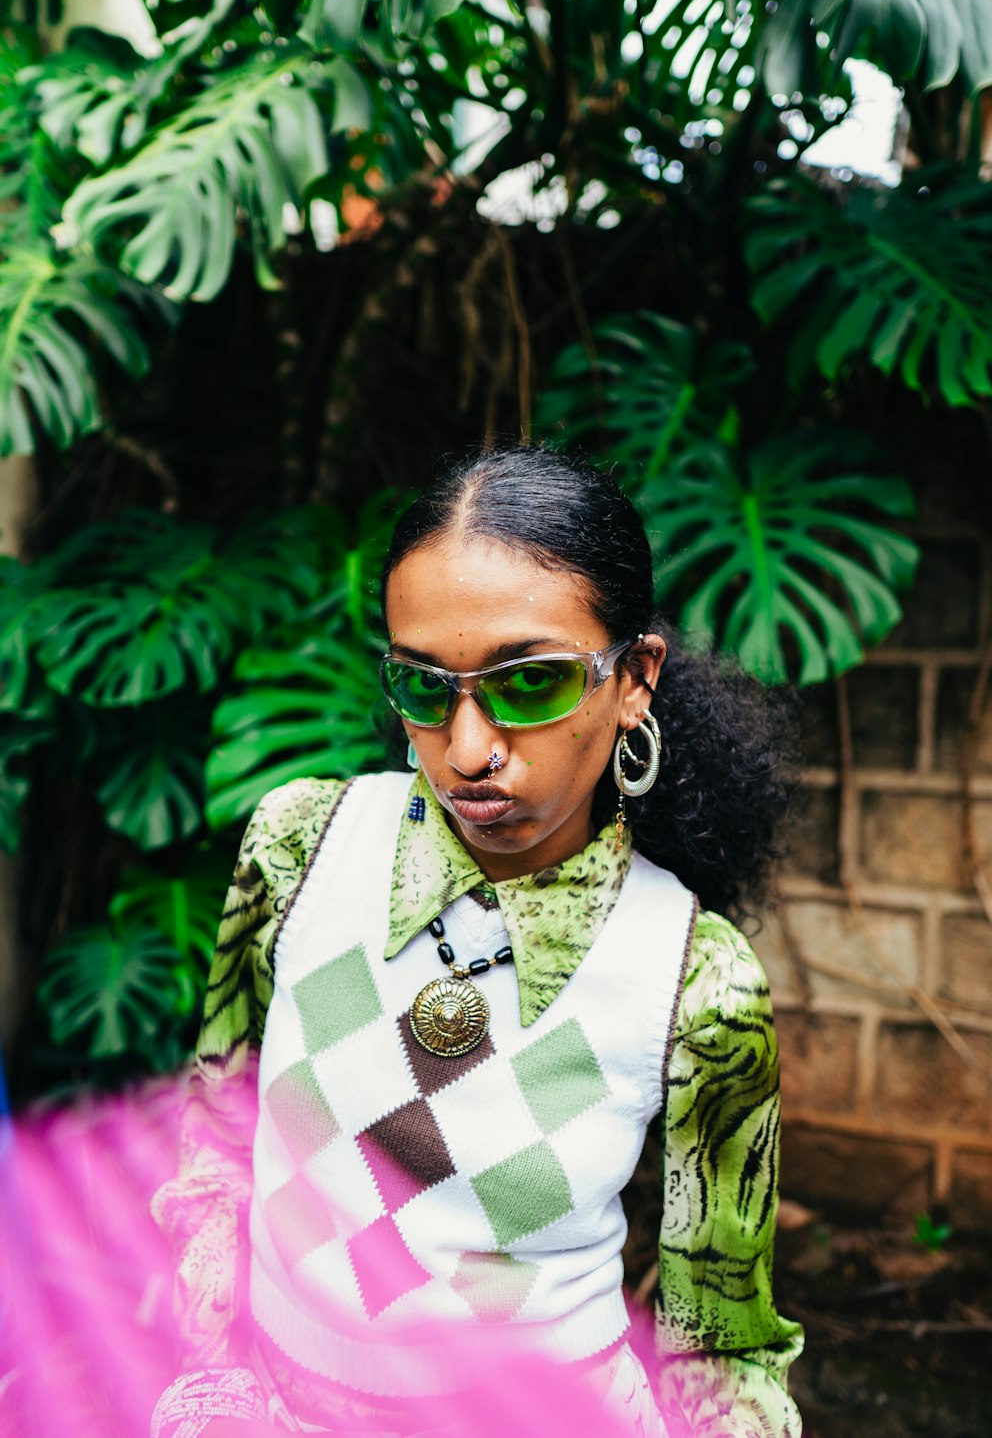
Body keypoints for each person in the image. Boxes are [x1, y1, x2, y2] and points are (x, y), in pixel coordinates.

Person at [150, 446, 803, 1438]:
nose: (467, 749)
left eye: (529, 683)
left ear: (634, 680)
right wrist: (211, 1359)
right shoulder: (297, 849)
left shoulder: (694, 982)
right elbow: (221, 1121)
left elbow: (719, 1342)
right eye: (423, 687)